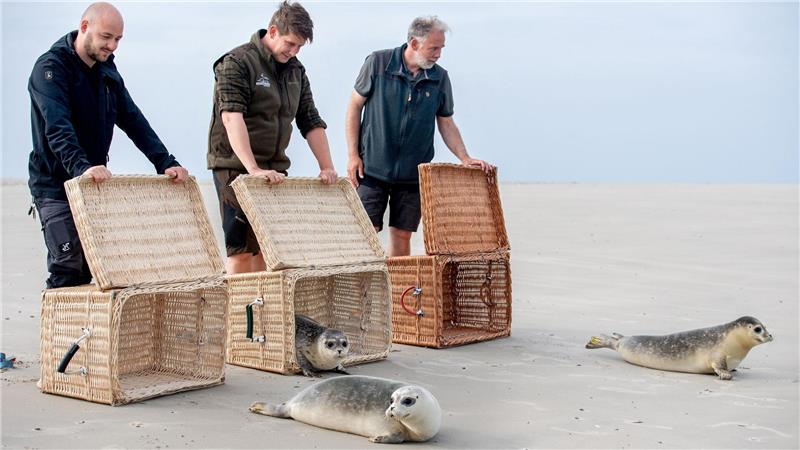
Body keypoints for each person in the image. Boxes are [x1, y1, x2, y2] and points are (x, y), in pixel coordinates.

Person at [27, 2, 189, 289]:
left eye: (118, 39)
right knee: (67, 266)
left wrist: (165, 161)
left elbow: (133, 119)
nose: (112, 46)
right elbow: (57, 127)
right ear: (85, 27)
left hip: (93, 185)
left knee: (92, 267)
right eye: (106, 37)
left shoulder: (107, 72)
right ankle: (57, 333)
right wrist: (82, 167)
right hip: (54, 184)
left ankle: (85, 332)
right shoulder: (50, 68)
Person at [345, 16, 493, 257]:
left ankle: (396, 292)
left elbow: (445, 121)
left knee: (402, 235)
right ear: (414, 43)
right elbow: (354, 107)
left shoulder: (440, 78)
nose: (438, 54)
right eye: (433, 48)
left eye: (441, 48)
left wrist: (464, 157)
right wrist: (353, 155)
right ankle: (365, 292)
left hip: (414, 174)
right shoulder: (378, 63)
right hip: (371, 169)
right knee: (366, 233)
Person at [207, 1, 337, 275]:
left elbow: (310, 119)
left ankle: (264, 315)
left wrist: (327, 167)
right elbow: (232, 117)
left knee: (269, 251)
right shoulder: (236, 62)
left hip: (275, 170)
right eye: (290, 44)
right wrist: (253, 169)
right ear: (273, 31)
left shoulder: (295, 70)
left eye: (300, 47)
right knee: (241, 251)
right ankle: (238, 316)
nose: (294, 52)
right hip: (234, 167)